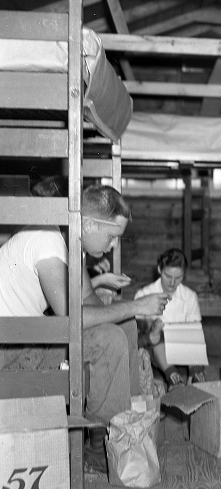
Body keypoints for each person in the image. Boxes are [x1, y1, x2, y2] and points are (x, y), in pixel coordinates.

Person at [0, 184, 169, 472]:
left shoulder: (70, 244)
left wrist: (126, 312)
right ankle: (99, 443)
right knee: (110, 339)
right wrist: (136, 306)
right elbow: (72, 319)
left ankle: (126, 422)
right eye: (112, 236)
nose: (113, 245)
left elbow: (89, 300)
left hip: (29, 338)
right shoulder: (49, 241)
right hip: (10, 351)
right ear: (89, 223)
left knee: (124, 324)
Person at [134, 248, 205, 389]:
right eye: (168, 276)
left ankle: (196, 374)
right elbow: (136, 334)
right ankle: (173, 377)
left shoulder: (189, 296)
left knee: (194, 333)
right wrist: (151, 327)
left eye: (178, 278)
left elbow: (195, 331)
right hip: (157, 352)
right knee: (157, 337)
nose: (172, 283)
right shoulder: (144, 294)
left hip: (182, 349)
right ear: (160, 269)